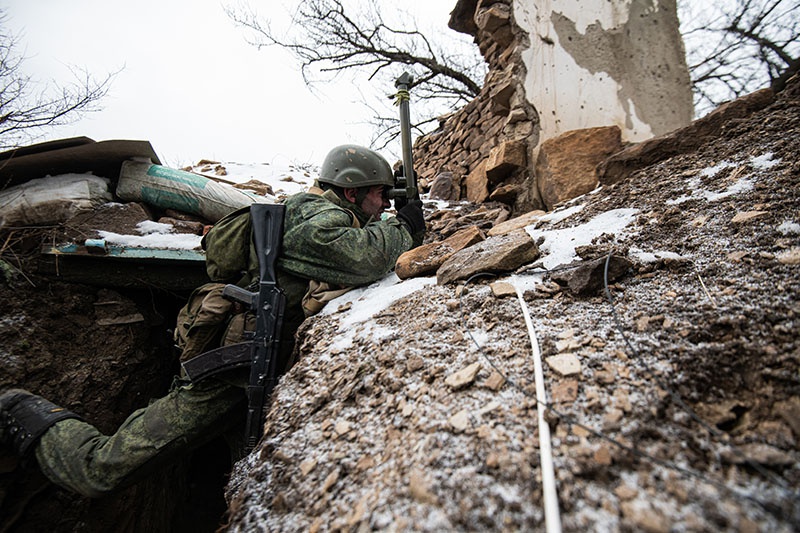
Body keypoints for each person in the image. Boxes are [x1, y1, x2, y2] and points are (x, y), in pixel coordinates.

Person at [0, 144, 425, 498]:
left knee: (253, 474)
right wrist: (403, 228)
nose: (384, 205)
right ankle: (21, 408)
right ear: (351, 193)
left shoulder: (330, 214)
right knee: (99, 471)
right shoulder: (311, 214)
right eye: (380, 195)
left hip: (249, 367)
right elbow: (359, 257)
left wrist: (398, 222)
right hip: (226, 373)